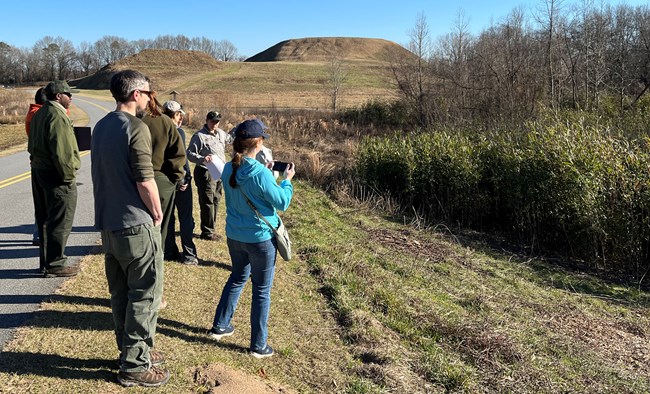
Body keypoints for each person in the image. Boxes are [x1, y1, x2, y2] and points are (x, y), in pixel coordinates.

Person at [91, 69, 169, 387]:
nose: (151, 99)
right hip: (136, 225)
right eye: (148, 93)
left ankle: (132, 352)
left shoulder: (101, 127)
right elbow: (143, 179)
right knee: (145, 295)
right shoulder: (135, 127)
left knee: (121, 293)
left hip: (109, 225)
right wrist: (157, 210)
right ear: (136, 94)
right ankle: (135, 365)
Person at [208, 119, 295, 359]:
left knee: (237, 278)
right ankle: (259, 345)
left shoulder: (228, 168)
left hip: (234, 235)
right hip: (260, 239)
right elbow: (282, 202)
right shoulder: (260, 174)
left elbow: (246, 181)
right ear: (258, 142)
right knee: (262, 290)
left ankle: (221, 325)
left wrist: (265, 172)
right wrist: (286, 180)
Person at [28, 80, 80, 277]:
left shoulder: (40, 112)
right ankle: (56, 264)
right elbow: (62, 152)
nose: (71, 97)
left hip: (39, 171)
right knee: (60, 220)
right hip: (56, 175)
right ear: (58, 95)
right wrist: (68, 177)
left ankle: (47, 263)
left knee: (44, 219)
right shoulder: (57, 115)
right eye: (68, 94)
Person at [141, 91, 186, 249]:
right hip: (161, 180)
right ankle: (158, 253)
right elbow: (178, 155)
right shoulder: (164, 122)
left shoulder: (129, 119)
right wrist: (178, 177)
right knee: (161, 224)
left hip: (132, 180)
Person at [162, 100, 199, 265]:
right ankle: (189, 254)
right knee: (185, 218)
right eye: (180, 115)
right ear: (176, 115)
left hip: (164, 182)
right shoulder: (178, 132)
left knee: (168, 218)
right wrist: (184, 178)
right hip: (179, 180)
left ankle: (169, 251)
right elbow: (181, 158)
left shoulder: (156, 130)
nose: (181, 118)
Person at [187, 110, 233, 241]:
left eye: (217, 121)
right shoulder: (199, 136)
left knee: (216, 200)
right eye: (212, 121)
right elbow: (189, 153)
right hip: (205, 172)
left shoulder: (221, 134)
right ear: (207, 120)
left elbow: (231, 139)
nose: (215, 124)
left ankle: (210, 228)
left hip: (219, 172)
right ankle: (207, 232)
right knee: (207, 201)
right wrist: (202, 158)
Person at [25, 87, 46, 246]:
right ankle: (40, 235)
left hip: (36, 161)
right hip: (44, 164)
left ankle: (38, 234)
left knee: (40, 202)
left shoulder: (33, 113)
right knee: (45, 202)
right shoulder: (40, 115)